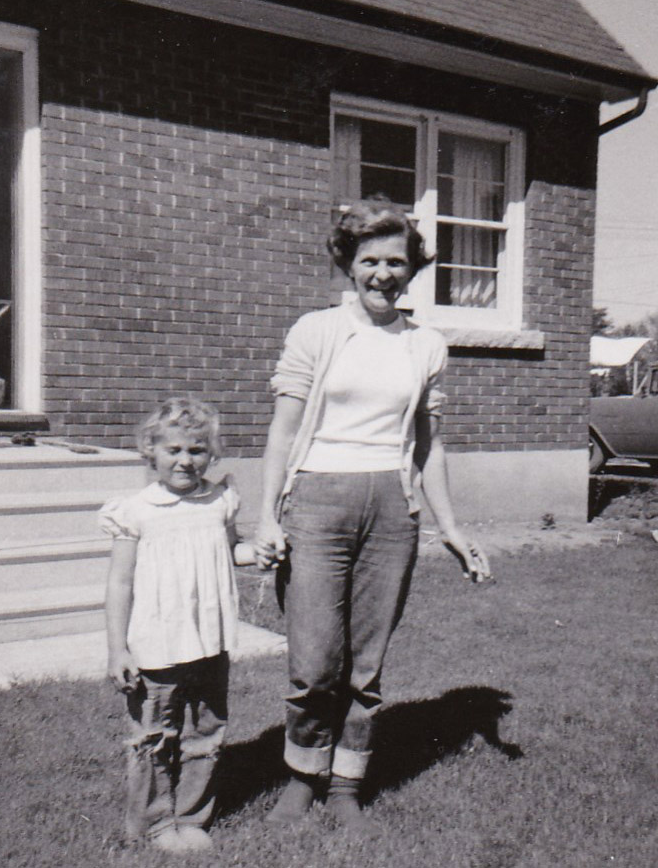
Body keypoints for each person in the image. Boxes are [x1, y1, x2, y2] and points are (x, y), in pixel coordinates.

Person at [256, 197, 492, 831]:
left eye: (395, 261)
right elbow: (281, 432)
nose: (382, 273)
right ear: (348, 264)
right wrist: (266, 516)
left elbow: (429, 447)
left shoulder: (427, 345)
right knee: (312, 661)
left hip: (391, 507)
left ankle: (344, 787)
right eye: (369, 260)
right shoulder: (316, 331)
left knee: (366, 661)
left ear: (412, 267)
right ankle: (301, 779)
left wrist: (453, 529)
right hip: (317, 500)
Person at [100, 396, 252, 853]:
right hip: (157, 646)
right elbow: (120, 584)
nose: (186, 460)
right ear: (151, 452)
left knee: (206, 731)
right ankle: (153, 823)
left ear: (212, 453)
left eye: (197, 450)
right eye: (174, 450)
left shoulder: (220, 501)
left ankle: (191, 815)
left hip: (209, 642)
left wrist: (258, 553)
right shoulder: (137, 511)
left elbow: (231, 551)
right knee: (155, 735)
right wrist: (117, 649)